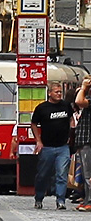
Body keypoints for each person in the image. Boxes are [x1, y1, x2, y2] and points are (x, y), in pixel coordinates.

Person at [32, 82, 76, 210]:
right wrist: (38, 141)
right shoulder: (42, 108)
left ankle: (60, 200)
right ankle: (39, 197)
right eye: (56, 92)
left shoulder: (66, 105)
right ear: (49, 93)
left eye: (60, 92)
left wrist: (71, 131)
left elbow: (71, 118)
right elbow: (34, 123)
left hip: (63, 146)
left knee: (61, 174)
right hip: (47, 147)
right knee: (43, 175)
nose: (59, 94)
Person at [74, 76, 91, 212]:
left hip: (88, 141)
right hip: (84, 141)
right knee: (86, 174)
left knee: (88, 174)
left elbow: (78, 101)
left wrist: (84, 88)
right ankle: (86, 199)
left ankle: (90, 201)